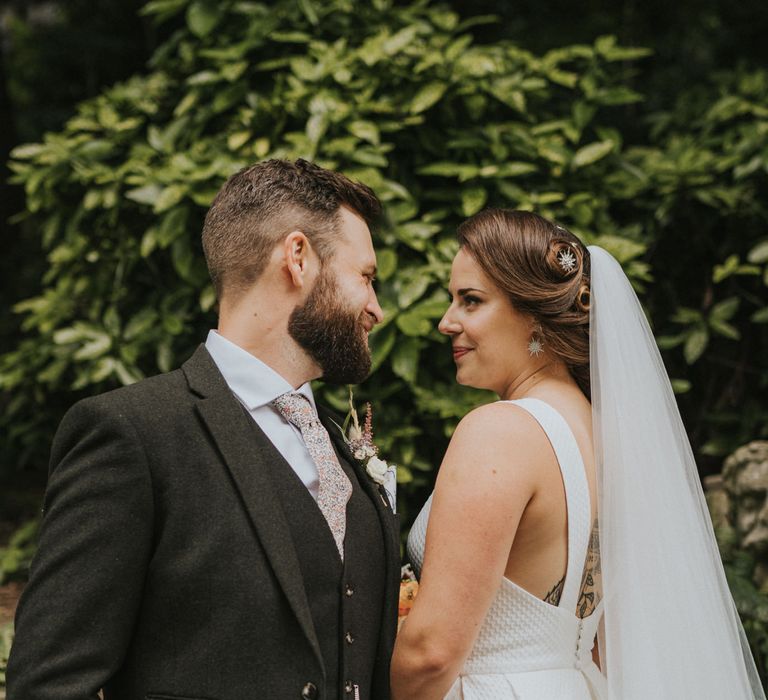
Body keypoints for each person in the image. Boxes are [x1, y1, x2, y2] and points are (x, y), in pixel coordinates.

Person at [7, 159, 401, 700]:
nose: (376, 308)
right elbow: (50, 682)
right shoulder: (133, 434)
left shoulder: (338, 446)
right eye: (366, 276)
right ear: (298, 258)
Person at [390, 209, 764, 699]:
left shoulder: (500, 432)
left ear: (532, 313)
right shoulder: (607, 434)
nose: (446, 322)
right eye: (452, 300)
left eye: (471, 301)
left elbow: (432, 654)